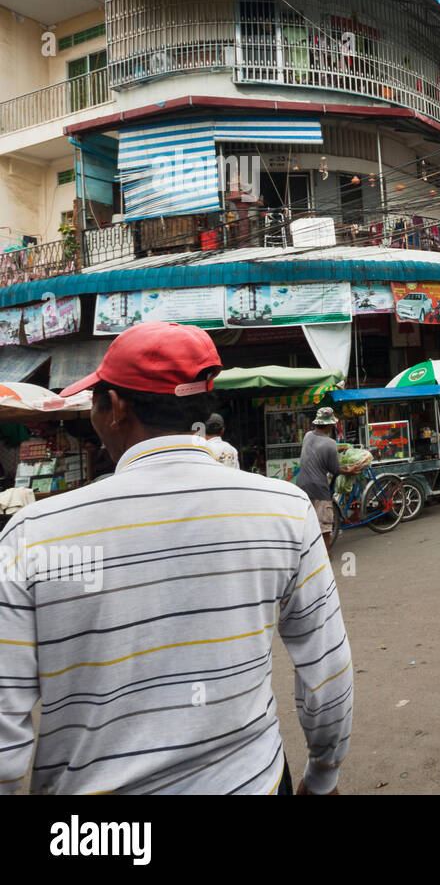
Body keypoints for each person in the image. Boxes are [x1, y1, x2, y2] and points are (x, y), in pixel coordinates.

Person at [0, 321, 352, 794]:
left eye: (96, 400)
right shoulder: (286, 512)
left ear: (117, 408)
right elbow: (327, 670)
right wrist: (324, 774)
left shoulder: (35, 534)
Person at [298, 406, 344, 551]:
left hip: (301, 486)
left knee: (307, 524)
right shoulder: (331, 443)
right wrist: (349, 469)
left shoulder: (308, 436)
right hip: (318, 489)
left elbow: (318, 449)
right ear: (330, 424)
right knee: (325, 526)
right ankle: (324, 559)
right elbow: (335, 469)